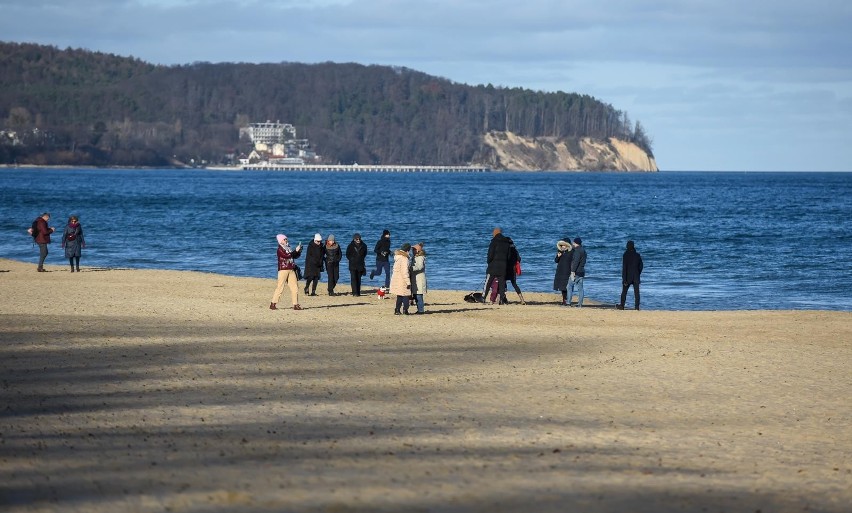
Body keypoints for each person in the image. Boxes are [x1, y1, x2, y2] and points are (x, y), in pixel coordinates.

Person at [270, 234, 303, 311]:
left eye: (286, 239)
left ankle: (295, 304)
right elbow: (287, 256)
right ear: (280, 241)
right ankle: (273, 303)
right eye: (284, 239)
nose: (286, 240)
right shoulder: (279, 249)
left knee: (295, 287)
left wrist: (298, 251)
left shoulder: (288, 247)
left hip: (291, 269)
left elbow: (294, 256)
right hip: (283, 269)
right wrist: (295, 251)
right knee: (280, 287)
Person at [483, 227, 511, 304]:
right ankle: (501, 299)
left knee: (488, 283)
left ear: (495, 233)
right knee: (502, 284)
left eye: (493, 233)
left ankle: (484, 297)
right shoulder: (506, 242)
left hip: (493, 266)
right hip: (503, 266)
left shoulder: (493, 241)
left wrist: (488, 262)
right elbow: (508, 256)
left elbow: (490, 254)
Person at [618, 240, 644, 310]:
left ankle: (622, 306)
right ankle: (637, 307)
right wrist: (638, 273)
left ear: (627, 246)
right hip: (636, 276)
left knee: (624, 291)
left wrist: (624, 279)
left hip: (627, 277)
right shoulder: (637, 255)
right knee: (637, 293)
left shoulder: (625, 255)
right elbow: (641, 266)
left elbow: (624, 268)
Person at [389, 243, 412, 315]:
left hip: (396, 279)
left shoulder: (397, 257)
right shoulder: (404, 259)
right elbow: (404, 271)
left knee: (399, 295)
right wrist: (408, 282)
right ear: (407, 250)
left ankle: (397, 310)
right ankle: (405, 310)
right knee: (405, 295)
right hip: (402, 280)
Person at [501, 237, 525, 305]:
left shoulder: (505, 250)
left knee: (503, 283)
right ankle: (522, 300)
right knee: (514, 284)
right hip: (513, 269)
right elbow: (519, 259)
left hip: (505, 269)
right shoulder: (515, 250)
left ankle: (503, 299)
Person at [567, 237, 587, 307]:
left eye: (573, 242)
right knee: (580, 288)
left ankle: (568, 302)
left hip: (576, 272)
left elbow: (576, 262)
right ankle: (580, 304)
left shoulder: (577, 251)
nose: (572, 244)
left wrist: (572, 271)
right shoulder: (583, 250)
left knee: (569, 286)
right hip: (582, 271)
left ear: (575, 243)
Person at [553, 239, 573, 305]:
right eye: (561, 245)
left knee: (566, 287)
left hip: (567, 271)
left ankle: (567, 300)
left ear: (567, 245)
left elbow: (573, 262)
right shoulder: (560, 251)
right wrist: (558, 256)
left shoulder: (571, 252)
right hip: (560, 271)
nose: (562, 246)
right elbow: (556, 260)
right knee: (561, 287)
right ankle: (564, 300)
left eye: (564, 245)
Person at [411, 242, 427, 314]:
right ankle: (419, 309)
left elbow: (420, 267)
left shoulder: (420, 257)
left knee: (419, 295)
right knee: (416, 295)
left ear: (417, 250)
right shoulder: (414, 257)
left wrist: (411, 268)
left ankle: (421, 310)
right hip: (415, 278)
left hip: (419, 279)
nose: (412, 250)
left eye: (414, 249)